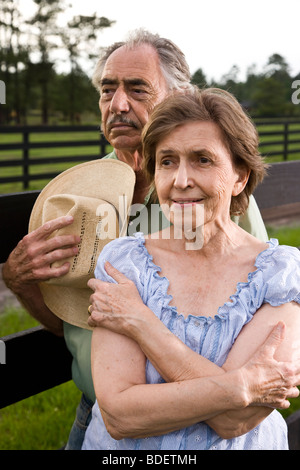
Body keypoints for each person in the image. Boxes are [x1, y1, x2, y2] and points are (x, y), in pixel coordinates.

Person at [2, 30, 268, 449]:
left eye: (137, 89)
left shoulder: (213, 195)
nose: (118, 104)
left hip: (208, 422)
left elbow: (258, 307)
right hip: (102, 418)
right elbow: (70, 322)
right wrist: (23, 283)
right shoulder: (80, 193)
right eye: (108, 90)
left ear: (179, 95)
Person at [83, 88, 300, 450]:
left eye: (202, 160)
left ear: (240, 177)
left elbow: (235, 420)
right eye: (167, 161)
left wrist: (142, 323)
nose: (181, 180)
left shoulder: (280, 274)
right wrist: (240, 386)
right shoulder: (123, 264)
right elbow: (121, 415)